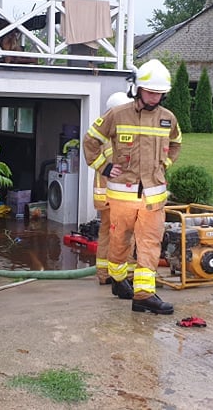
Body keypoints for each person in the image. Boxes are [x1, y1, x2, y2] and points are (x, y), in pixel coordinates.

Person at [83, 59, 182, 315]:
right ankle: (118, 279)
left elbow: (176, 143)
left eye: (159, 93)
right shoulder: (118, 114)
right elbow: (91, 140)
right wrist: (104, 167)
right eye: (150, 92)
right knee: (119, 242)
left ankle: (144, 295)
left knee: (150, 243)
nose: (154, 97)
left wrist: (164, 165)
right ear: (138, 89)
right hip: (122, 197)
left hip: (153, 197)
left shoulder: (168, 118)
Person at [90, 90, 133, 286]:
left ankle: (103, 273)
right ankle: (126, 275)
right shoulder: (117, 135)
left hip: (103, 196)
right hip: (117, 195)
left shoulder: (103, 133)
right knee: (125, 235)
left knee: (106, 233)